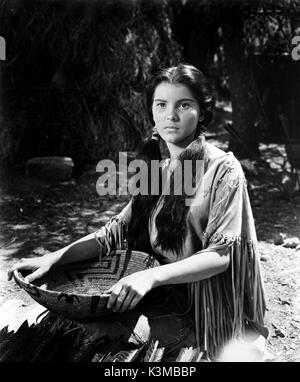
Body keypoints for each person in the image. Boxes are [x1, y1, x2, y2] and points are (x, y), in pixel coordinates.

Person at [8, 64, 268, 361]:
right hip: (158, 293)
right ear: (152, 114)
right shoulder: (157, 165)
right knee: (63, 330)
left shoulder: (223, 169)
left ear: (202, 113)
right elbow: (114, 231)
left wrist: (150, 278)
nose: (171, 115)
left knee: (103, 343)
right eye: (161, 105)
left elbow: (221, 255)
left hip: (202, 308)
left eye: (184, 105)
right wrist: (54, 258)